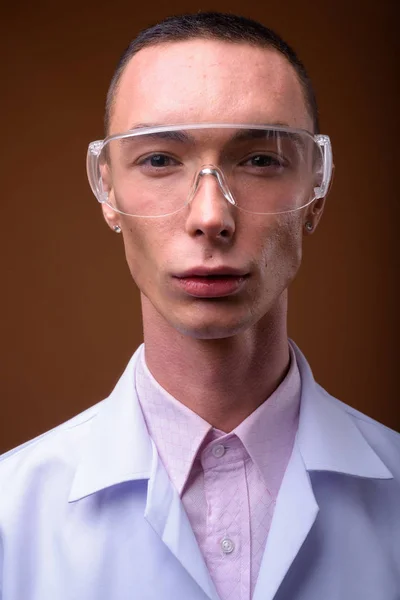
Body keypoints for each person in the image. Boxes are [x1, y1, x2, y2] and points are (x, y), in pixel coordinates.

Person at [0, 11, 399, 600]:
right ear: (108, 191)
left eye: (260, 159)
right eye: (159, 160)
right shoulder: (10, 518)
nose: (210, 217)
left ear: (317, 190)